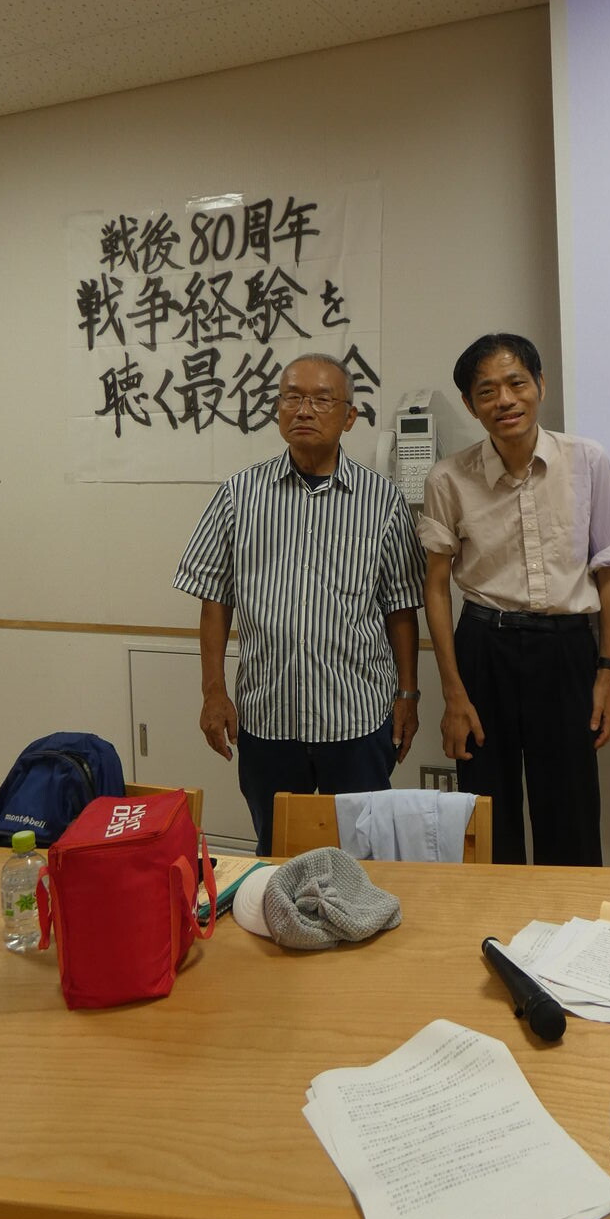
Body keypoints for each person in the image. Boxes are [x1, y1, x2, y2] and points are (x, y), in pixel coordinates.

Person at [173, 352, 425, 853]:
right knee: (277, 852)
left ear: (349, 417)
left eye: (322, 399)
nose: (304, 410)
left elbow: (400, 607)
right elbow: (214, 599)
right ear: (277, 409)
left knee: (361, 854)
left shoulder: (382, 501)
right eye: (292, 397)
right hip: (268, 717)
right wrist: (213, 692)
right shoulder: (239, 494)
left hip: (356, 716)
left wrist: (408, 694)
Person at [418, 333, 610, 865]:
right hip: (484, 648)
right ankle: (494, 916)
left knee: (571, 813)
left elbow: (609, 569)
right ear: (470, 405)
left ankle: (570, 917)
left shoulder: (588, 461)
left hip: (565, 651)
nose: (504, 400)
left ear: (540, 386)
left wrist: (605, 673)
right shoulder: (448, 477)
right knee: (487, 814)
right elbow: (436, 586)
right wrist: (453, 693)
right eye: (487, 391)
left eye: (516, 383)